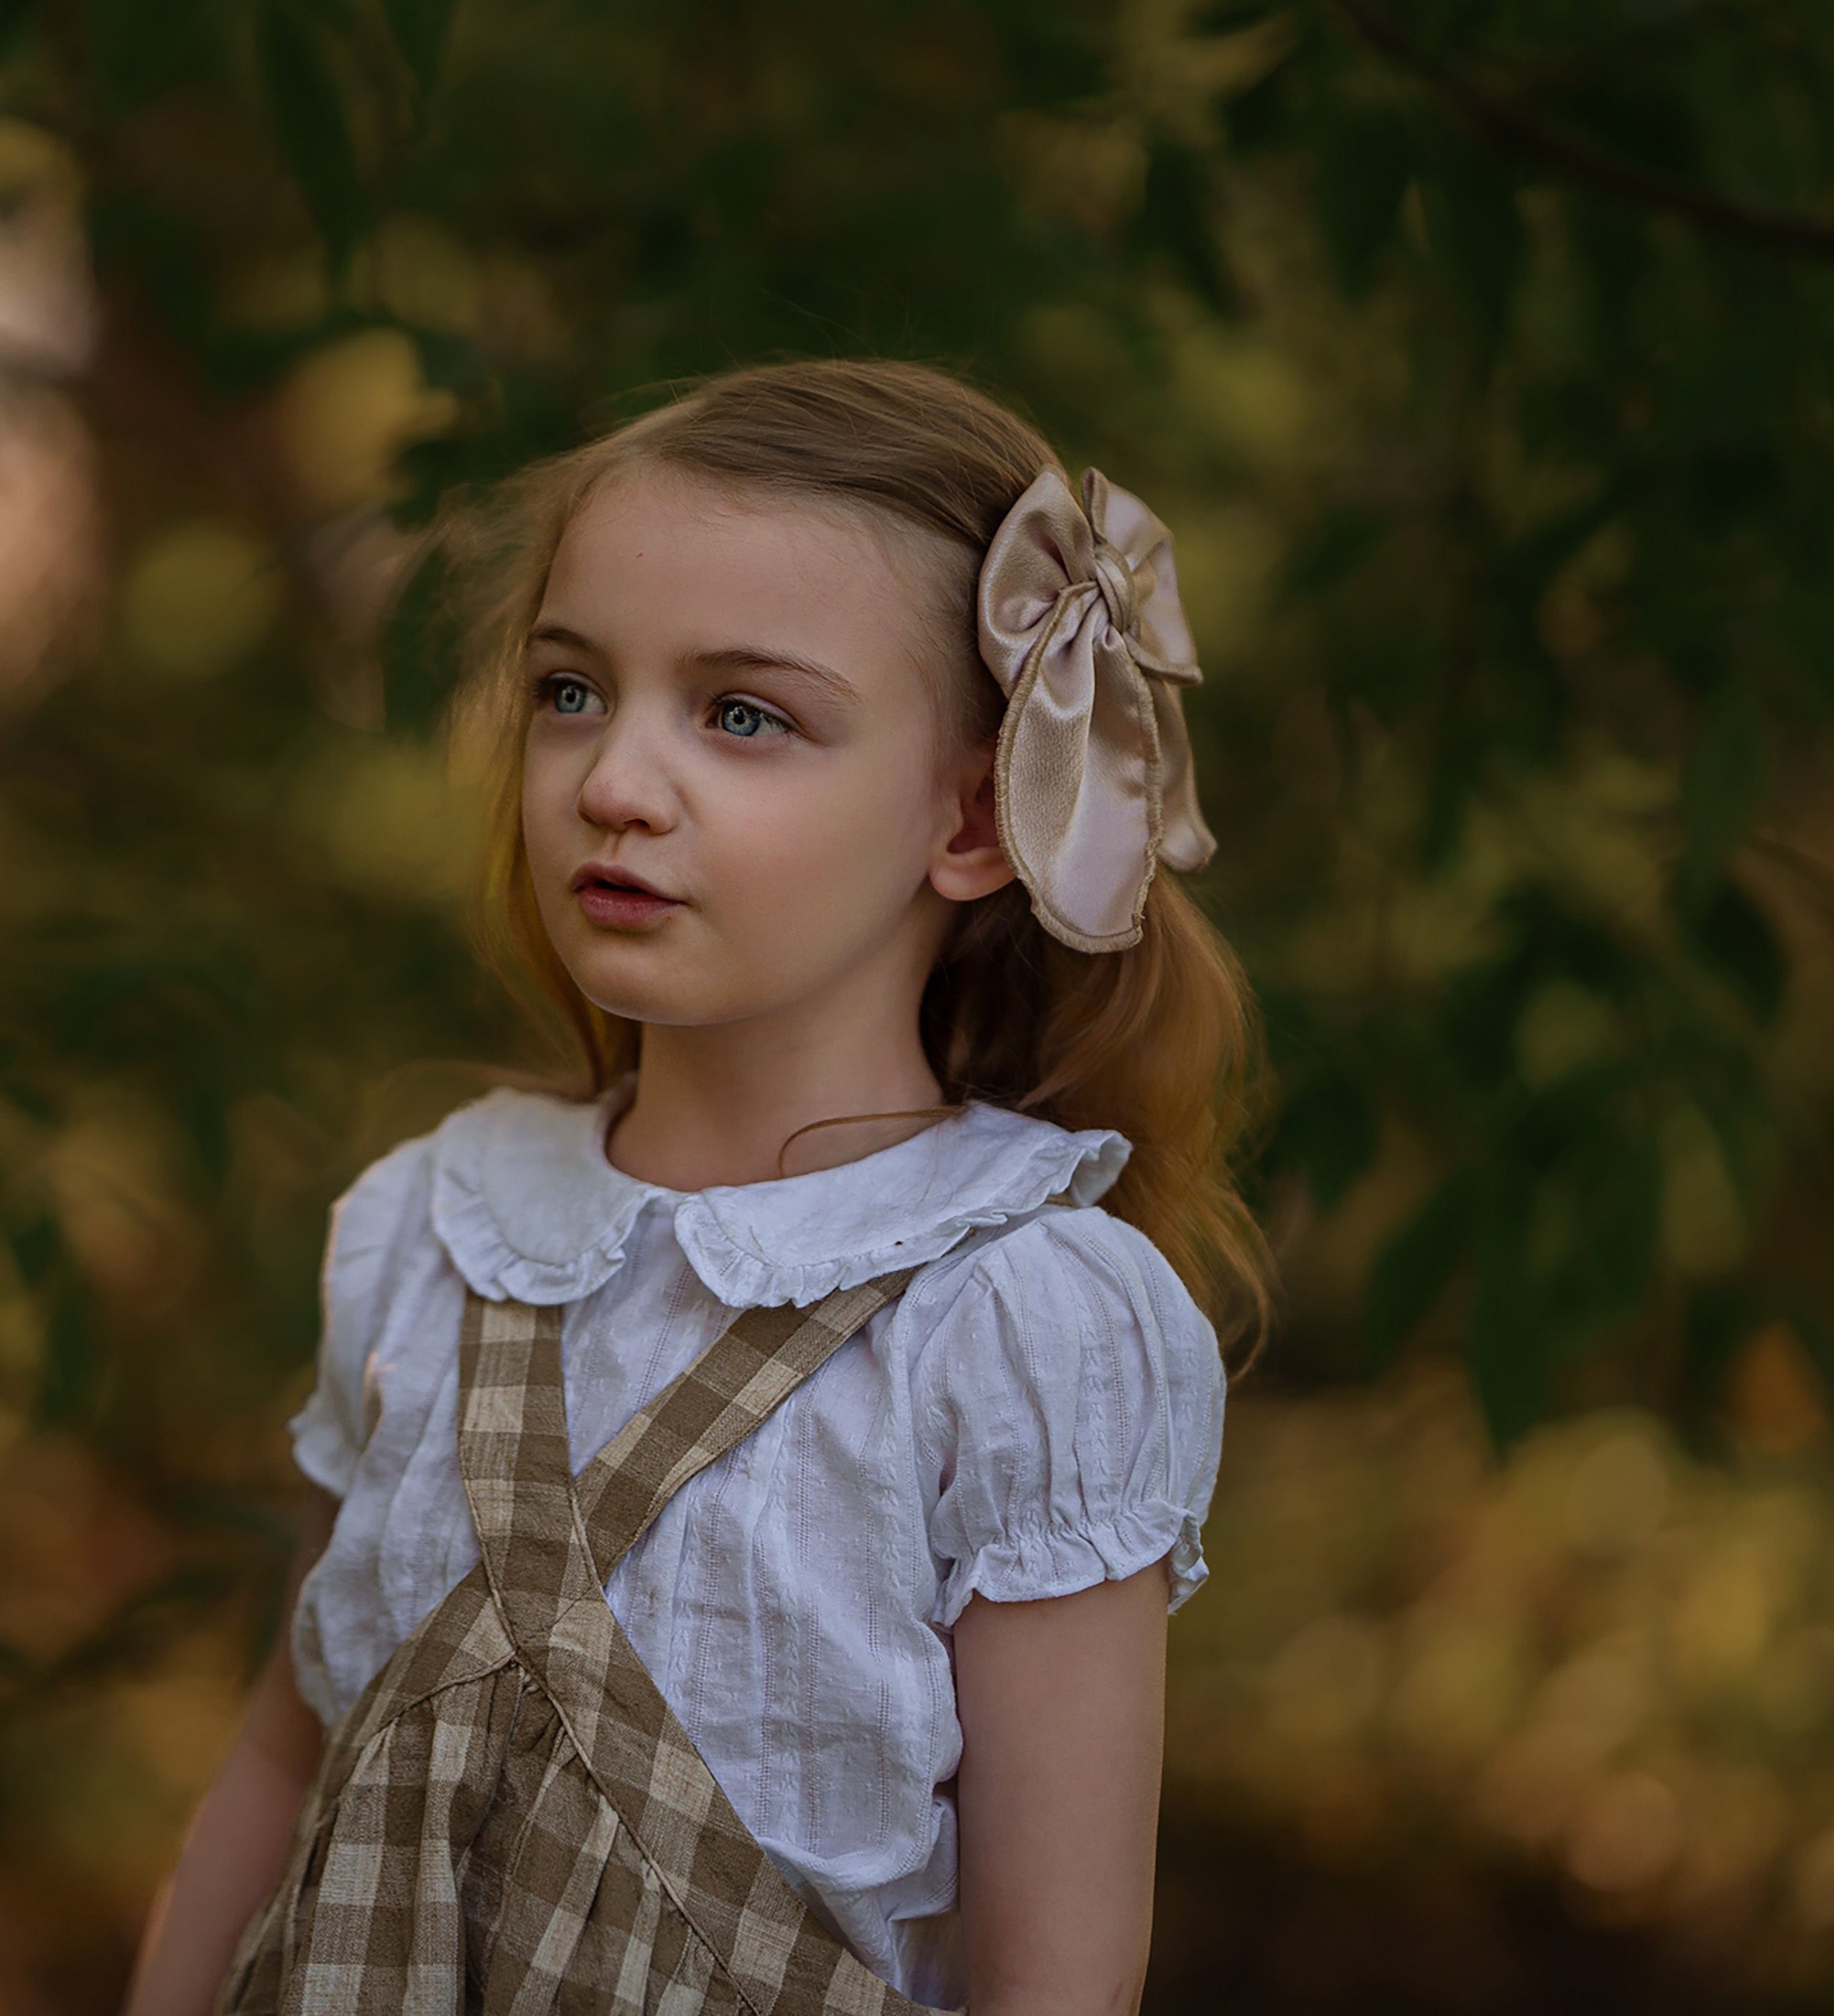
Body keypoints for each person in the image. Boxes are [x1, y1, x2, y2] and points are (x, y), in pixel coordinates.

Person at [123, 359, 1268, 2016]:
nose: (612, 779)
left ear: (969, 815)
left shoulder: (1019, 1318)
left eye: (742, 715)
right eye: (573, 689)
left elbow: (1057, 1976)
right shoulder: (425, 1228)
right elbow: (282, 1758)